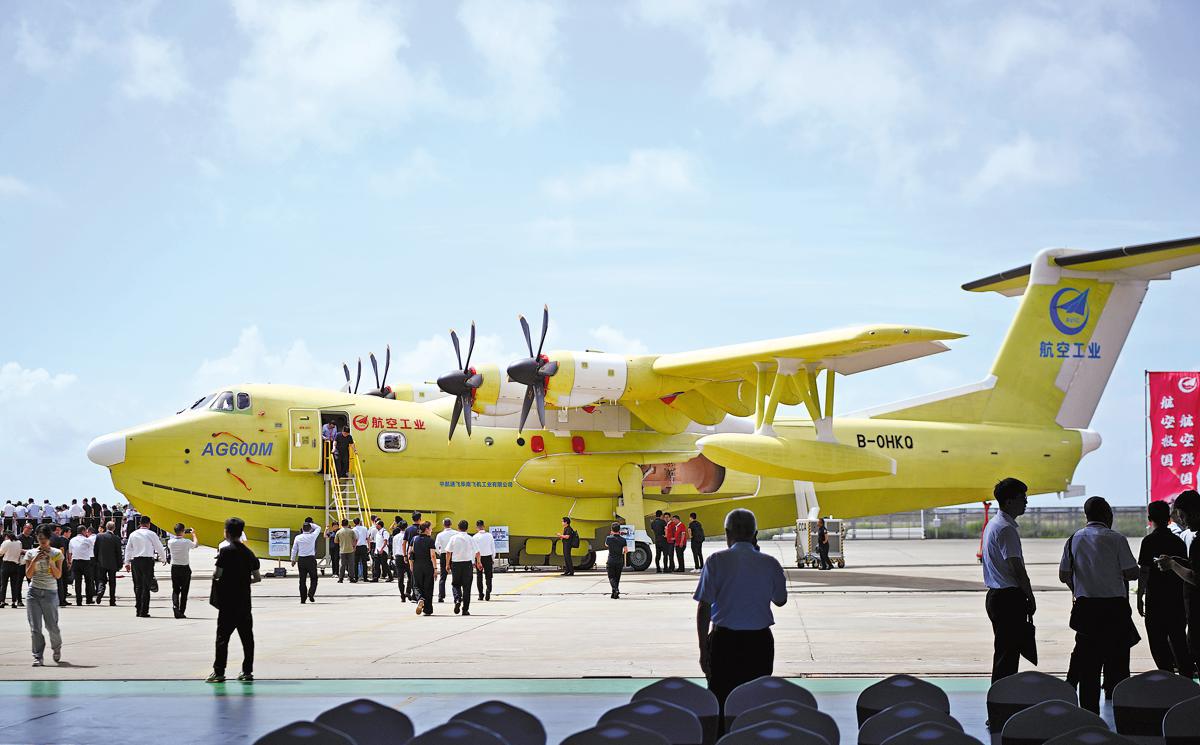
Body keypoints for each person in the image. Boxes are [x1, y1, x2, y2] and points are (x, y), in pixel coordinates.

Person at [695, 508, 787, 725]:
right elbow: (780, 600)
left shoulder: (716, 561)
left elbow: (704, 607)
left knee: (721, 700)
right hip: (759, 643)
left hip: (723, 642)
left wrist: (703, 649)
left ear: (728, 533)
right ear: (755, 534)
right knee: (756, 702)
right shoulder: (770, 563)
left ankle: (723, 737)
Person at [1059, 496, 1140, 714]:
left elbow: (1064, 574)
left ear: (1086, 516)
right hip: (1115, 611)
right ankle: (1122, 714)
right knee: (1119, 664)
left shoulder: (1073, 539)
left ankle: (1089, 715)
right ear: (1107, 515)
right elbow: (1132, 573)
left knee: (1089, 668)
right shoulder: (1116, 539)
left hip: (1086, 611)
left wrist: (1078, 585)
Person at [981, 477, 1036, 684]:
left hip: (997, 596)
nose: (1026, 502)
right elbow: (1017, 568)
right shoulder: (1006, 529)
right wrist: (1030, 595)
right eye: (1022, 498)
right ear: (1009, 501)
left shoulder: (994, 524)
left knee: (1005, 653)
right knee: (1007, 657)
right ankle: (1001, 698)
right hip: (1008, 599)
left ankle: (1000, 697)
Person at [1137, 500, 1193, 677]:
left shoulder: (1148, 541)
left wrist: (1139, 596)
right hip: (1176, 600)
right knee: (1179, 641)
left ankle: (1167, 678)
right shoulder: (1178, 542)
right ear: (1169, 518)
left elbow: (1144, 571)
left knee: (1158, 644)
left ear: (1149, 518)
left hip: (1155, 601)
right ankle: (1186, 680)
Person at [208, 517, 260, 683]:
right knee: (247, 639)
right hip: (244, 603)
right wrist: (243, 580)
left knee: (222, 639)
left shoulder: (225, 552)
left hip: (227, 603)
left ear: (227, 533)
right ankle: (247, 671)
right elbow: (257, 578)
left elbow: (217, 574)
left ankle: (219, 672)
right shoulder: (249, 553)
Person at [1156, 489, 1200, 677]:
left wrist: (1173, 565)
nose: (1181, 521)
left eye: (1182, 515)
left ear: (1194, 513)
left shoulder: (1198, 543)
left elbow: (1196, 578)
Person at [25, 525, 64, 666]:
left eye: (45, 539)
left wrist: (51, 562)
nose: (42, 541)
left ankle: (56, 647)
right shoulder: (30, 553)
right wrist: (35, 560)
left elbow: (58, 575)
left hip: (50, 592)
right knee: (35, 628)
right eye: (40, 538)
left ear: (49, 539)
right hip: (33, 592)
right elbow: (28, 575)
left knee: (52, 626)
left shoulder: (57, 553)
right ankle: (38, 656)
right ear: (36, 537)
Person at [124, 515, 167, 618]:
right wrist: (163, 558)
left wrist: (127, 562)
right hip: (147, 561)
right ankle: (144, 610)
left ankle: (138, 609)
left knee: (137, 586)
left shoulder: (133, 534)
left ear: (140, 523)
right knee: (146, 586)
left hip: (136, 561)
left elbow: (128, 549)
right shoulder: (151, 534)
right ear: (149, 524)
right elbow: (159, 547)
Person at [447, 519, 481, 616]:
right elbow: (477, 552)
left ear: (458, 527)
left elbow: (448, 552)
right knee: (467, 587)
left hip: (456, 564)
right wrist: (478, 562)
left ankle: (457, 599)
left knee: (455, 584)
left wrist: (447, 564)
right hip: (467, 564)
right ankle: (465, 609)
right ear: (467, 528)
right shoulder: (470, 538)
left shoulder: (453, 538)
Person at [167, 523, 198, 619]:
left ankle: (175, 606)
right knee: (184, 591)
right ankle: (181, 611)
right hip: (185, 567)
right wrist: (193, 534)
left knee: (175, 589)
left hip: (175, 567)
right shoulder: (186, 542)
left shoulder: (170, 542)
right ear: (183, 531)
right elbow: (195, 545)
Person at [93, 522, 122, 606]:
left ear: (106, 527)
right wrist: (120, 564)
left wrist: (96, 560)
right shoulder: (116, 538)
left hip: (101, 562)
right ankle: (112, 600)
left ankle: (100, 591)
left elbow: (95, 550)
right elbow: (118, 553)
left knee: (101, 579)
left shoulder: (99, 536)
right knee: (112, 582)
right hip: (113, 563)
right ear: (114, 528)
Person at [410, 521, 436, 616]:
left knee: (416, 585)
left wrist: (411, 565)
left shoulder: (414, 539)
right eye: (430, 528)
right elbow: (432, 555)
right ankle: (428, 609)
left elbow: (410, 553)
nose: (431, 530)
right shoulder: (430, 540)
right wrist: (435, 568)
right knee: (428, 586)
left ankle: (420, 598)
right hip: (428, 565)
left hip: (417, 565)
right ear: (426, 529)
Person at [290, 522, 319, 604]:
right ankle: (311, 593)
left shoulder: (298, 537)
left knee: (302, 580)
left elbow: (294, 549)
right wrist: (311, 524)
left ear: (302, 529)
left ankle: (303, 599)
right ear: (310, 529)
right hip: (311, 559)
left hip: (301, 559)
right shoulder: (312, 536)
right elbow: (318, 528)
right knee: (314, 578)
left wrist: (293, 559)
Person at [67, 525, 96, 606]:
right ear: (83, 531)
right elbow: (92, 549)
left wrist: (69, 562)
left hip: (75, 561)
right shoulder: (87, 540)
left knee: (77, 582)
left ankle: (78, 600)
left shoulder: (72, 540)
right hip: (86, 561)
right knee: (88, 581)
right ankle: (89, 599)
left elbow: (70, 552)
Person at [435, 518, 457, 602]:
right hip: (454, 555)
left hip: (444, 554)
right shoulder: (456, 533)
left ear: (443, 525)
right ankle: (457, 595)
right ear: (451, 524)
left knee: (443, 576)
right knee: (456, 576)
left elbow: (436, 546)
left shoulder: (440, 535)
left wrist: (440, 553)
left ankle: (441, 596)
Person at [402, 512, 423, 601]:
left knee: (412, 574)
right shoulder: (423, 528)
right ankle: (416, 594)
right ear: (420, 518)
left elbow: (404, 543)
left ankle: (410, 592)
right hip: (421, 554)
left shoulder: (408, 529)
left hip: (411, 554)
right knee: (420, 575)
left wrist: (405, 555)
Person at [473, 520, 496, 601]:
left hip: (478, 558)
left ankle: (480, 594)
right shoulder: (489, 536)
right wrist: (493, 558)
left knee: (479, 576)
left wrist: (474, 561)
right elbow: (493, 548)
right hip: (488, 557)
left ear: (477, 527)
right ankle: (488, 590)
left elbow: (473, 550)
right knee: (488, 576)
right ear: (484, 526)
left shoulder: (475, 537)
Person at [605, 522, 629, 599]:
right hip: (619, 561)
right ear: (619, 530)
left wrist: (611, 535)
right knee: (617, 578)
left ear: (612, 529)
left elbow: (606, 545)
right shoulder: (623, 540)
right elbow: (626, 551)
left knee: (611, 577)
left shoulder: (608, 538)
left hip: (611, 560)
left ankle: (615, 590)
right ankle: (615, 594)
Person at [1, 531, 24, 608]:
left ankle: (2, 601)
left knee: (3, 584)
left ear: (7, 536)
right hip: (15, 565)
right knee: (14, 585)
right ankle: (14, 602)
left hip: (6, 564)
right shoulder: (19, 542)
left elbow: (1, 552)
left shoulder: (6, 542)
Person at [391, 516, 409, 601]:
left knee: (400, 577)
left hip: (398, 556)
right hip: (406, 556)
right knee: (410, 576)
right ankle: (408, 591)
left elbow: (394, 548)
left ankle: (402, 595)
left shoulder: (395, 536)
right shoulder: (408, 536)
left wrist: (394, 557)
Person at [351, 518, 370, 582]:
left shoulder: (353, 529)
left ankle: (356, 577)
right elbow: (368, 538)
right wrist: (369, 546)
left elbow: (353, 540)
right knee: (364, 563)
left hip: (356, 547)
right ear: (359, 522)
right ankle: (365, 577)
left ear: (354, 523)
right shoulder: (364, 528)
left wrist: (353, 547)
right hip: (363, 546)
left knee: (355, 563)